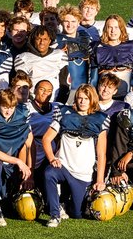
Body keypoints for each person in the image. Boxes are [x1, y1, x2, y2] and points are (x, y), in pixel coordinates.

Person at [41, 84, 109, 226]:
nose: (82, 101)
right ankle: (55, 214)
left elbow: (101, 153)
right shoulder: (63, 113)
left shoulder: (101, 119)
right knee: (49, 173)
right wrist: (52, 158)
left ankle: (66, 201)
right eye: (79, 98)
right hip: (64, 167)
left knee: (77, 214)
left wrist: (100, 180)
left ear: (93, 100)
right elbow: (46, 139)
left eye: (86, 98)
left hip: (83, 173)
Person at [0, 87, 33, 224]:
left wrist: (28, 169)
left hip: (14, 157)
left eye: (11, 107)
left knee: (9, 197)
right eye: (4, 106)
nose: (8, 111)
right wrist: (17, 161)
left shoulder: (24, 112)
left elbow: (27, 143)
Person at [95, 14, 133, 97]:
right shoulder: (96, 47)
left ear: (121, 29)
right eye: (110, 27)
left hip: (125, 95)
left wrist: (130, 82)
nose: (113, 31)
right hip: (103, 96)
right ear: (106, 29)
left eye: (116, 27)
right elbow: (92, 76)